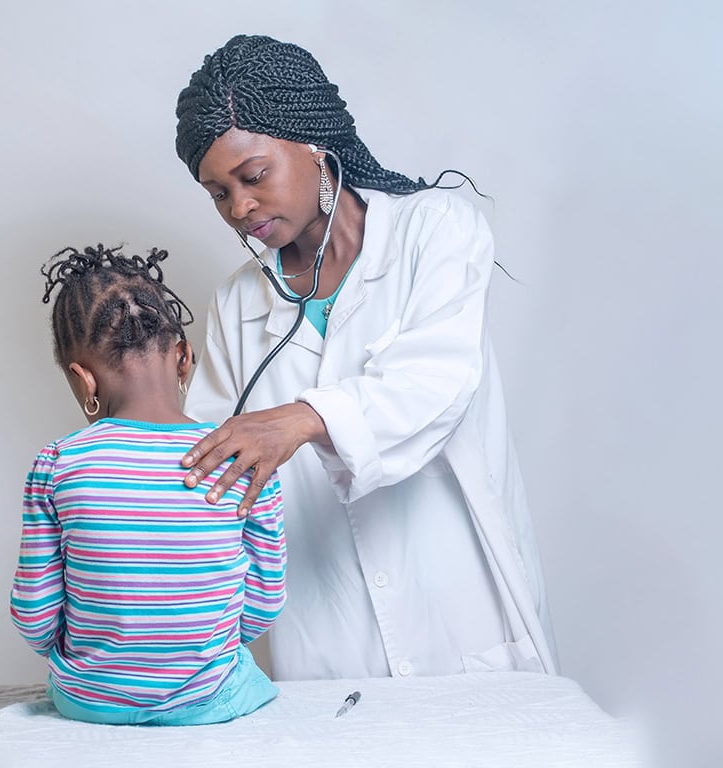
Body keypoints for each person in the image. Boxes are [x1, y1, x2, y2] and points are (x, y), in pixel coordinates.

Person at [173, 35, 558, 681]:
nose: (239, 208)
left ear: (313, 144)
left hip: (459, 609)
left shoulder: (433, 229)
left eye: (253, 176)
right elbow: (209, 461)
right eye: (217, 193)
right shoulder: (238, 302)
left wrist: (299, 420)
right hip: (324, 632)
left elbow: (434, 382)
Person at [10, 243, 286, 725]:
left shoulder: (57, 463)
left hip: (91, 702)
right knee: (245, 678)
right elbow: (263, 605)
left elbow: (34, 618)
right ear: (184, 357)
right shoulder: (245, 458)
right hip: (209, 699)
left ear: (83, 381)